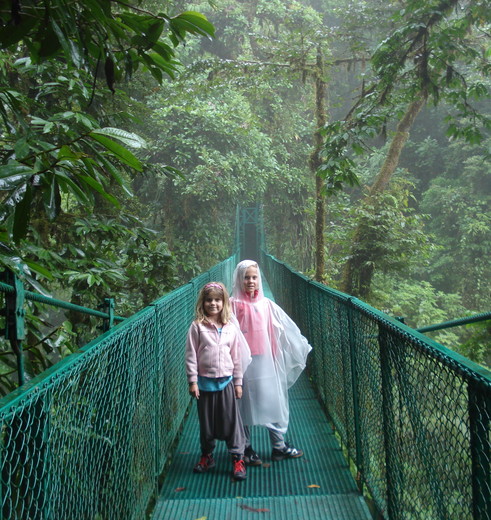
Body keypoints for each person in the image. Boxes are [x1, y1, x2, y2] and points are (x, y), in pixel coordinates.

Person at [230, 260, 312, 465]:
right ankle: (246, 448)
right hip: (242, 363)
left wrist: (279, 356)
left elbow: (275, 331)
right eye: (246, 277)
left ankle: (279, 446)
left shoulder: (266, 304)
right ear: (239, 279)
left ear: (259, 280)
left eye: (254, 277)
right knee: (242, 404)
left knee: (273, 401)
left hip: (265, 361)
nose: (250, 281)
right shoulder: (232, 305)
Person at [185, 281, 251, 481]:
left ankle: (237, 457)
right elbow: (191, 355)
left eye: (217, 300)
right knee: (207, 424)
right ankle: (207, 456)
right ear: (202, 302)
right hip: (205, 383)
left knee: (232, 423)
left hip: (226, 383)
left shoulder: (230, 328)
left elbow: (236, 357)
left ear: (223, 303)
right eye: (209, 300)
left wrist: (238, 383)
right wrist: (192, 381)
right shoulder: (197, 327)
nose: (213, 304)